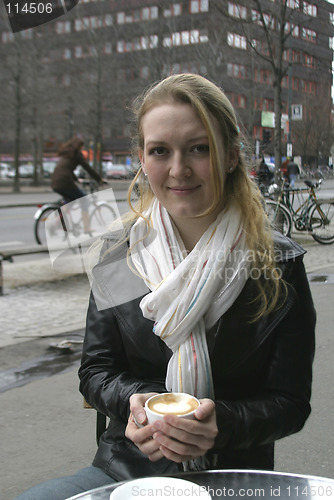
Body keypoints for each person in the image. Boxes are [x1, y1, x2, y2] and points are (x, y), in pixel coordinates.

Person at [15, 74, 316, 500]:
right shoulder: (120, 255)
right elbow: (96, 372)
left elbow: (290, 403)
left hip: (234, 479)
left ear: (231, 157)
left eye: (199, 148)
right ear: (142, 158)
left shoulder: (278, 264)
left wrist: (221, 425)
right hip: (126, 470)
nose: (178, 169)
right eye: (160, 151)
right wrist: (138, 402)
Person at [51, 136, 106, 233]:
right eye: (82, 146)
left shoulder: (67, 154)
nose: (82, 148)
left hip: (55, 182)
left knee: (69, 201)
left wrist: (76, 179)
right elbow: (87, 168)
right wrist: (99, 179)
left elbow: (66, 169)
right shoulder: (76, 155)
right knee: (84, 199)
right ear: (79, 146)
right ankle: (86, 228)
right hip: (65, 181)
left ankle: (56, 224)